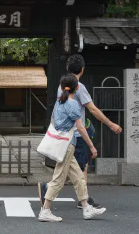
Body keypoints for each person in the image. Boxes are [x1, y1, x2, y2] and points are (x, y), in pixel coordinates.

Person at [38, 74, 106, 222]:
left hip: (63, 143)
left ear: (62, 88)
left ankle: (86, 207)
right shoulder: (73, 104)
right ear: (77, 88)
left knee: (78, 177)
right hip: (67, 145)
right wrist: (92, 146)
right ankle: (45, 210)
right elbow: (81, 128)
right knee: (59, 179)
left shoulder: (59, 102)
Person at [58, 54, 123, 208]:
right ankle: (84, 200)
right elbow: (92, 109)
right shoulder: (79, 87)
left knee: (71, 166)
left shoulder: (60, 86)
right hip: (78, 134)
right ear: (82, 69)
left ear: (67, 68)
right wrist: (111, 124)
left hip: (64, 132)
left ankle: (81, 198)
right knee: (81, 167)